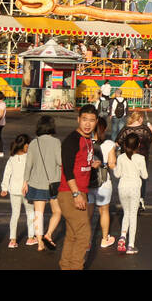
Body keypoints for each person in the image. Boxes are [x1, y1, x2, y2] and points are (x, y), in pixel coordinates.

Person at [57, 104, 102, 270]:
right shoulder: (72, 140)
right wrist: (76, 194)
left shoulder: (87, 139)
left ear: (96, 121)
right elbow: (68, 170)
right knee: (84, 235)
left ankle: (66, 266)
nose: (87, 124)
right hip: (70, 192)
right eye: (84, 120)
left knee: (72, 235)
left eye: (91, 120)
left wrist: (91, 164)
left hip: (78, 191)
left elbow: (79, 162)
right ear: (78, 120)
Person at [24, 115, 62, 252]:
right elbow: (60, 161)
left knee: (38, 214)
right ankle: (49, 234)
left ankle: (40, 242)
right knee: (57, 211)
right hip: (53, 183)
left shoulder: (34, 143)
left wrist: (25, 181)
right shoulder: (56, 142)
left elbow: (28, 165)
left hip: (36, 182)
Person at [0, 134, 37, 248]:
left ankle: (12, 240)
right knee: (30, 213)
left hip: (14, 190)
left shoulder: (12, 158)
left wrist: (4, 188)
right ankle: (31, 237)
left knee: (15, 214)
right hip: (27, 190)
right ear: (25, 145)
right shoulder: (29, 157)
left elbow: (7, 174)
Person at [114, 132, 148, 254]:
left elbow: (117, 174)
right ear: (138, 145)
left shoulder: (121, 157)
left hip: (122, 187)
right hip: (134, 188)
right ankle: (130, 245)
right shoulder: (140, 158)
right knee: (133, 215)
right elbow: (145, 175)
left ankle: (122, 237)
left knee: (126, 213)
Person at [117, 110, 152, 201]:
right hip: (142, 156)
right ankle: (140, 198)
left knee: (127, 176)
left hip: (128, 156)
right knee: (142, 177)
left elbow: (117, 142)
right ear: (140, 118)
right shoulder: (144, 129)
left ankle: (128, 196)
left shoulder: (125, 129)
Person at [91, 117, 118, 250]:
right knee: (104, 211)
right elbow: (112, 165)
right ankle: (104, 238)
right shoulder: (109, 144)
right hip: (104, 182)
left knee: (88, 213)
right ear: (105, 129)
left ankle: (87, 241)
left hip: (88, 182)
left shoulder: (86, 142)